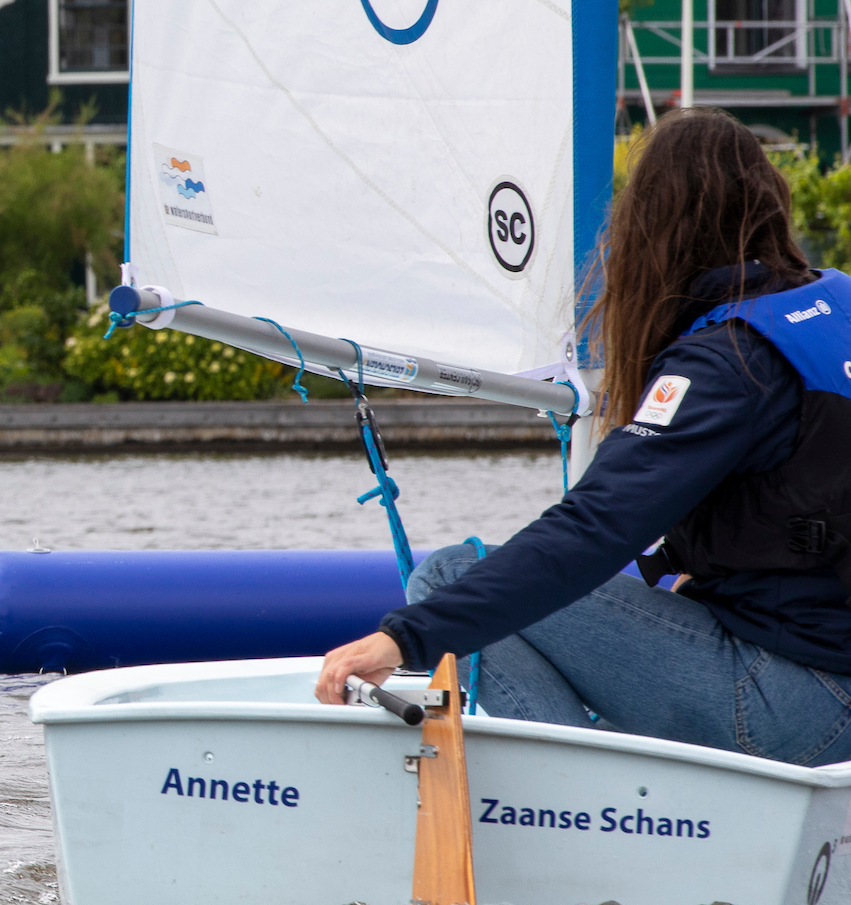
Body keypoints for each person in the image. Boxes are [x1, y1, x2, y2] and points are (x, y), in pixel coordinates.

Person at [315, 110, 851, 766]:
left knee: (447, 573)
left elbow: (594, 529)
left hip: (806, 707)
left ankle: (589, 808)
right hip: (826, 668)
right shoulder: (835, 304)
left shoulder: (727, 362)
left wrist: (405, 640)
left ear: (654, 230)